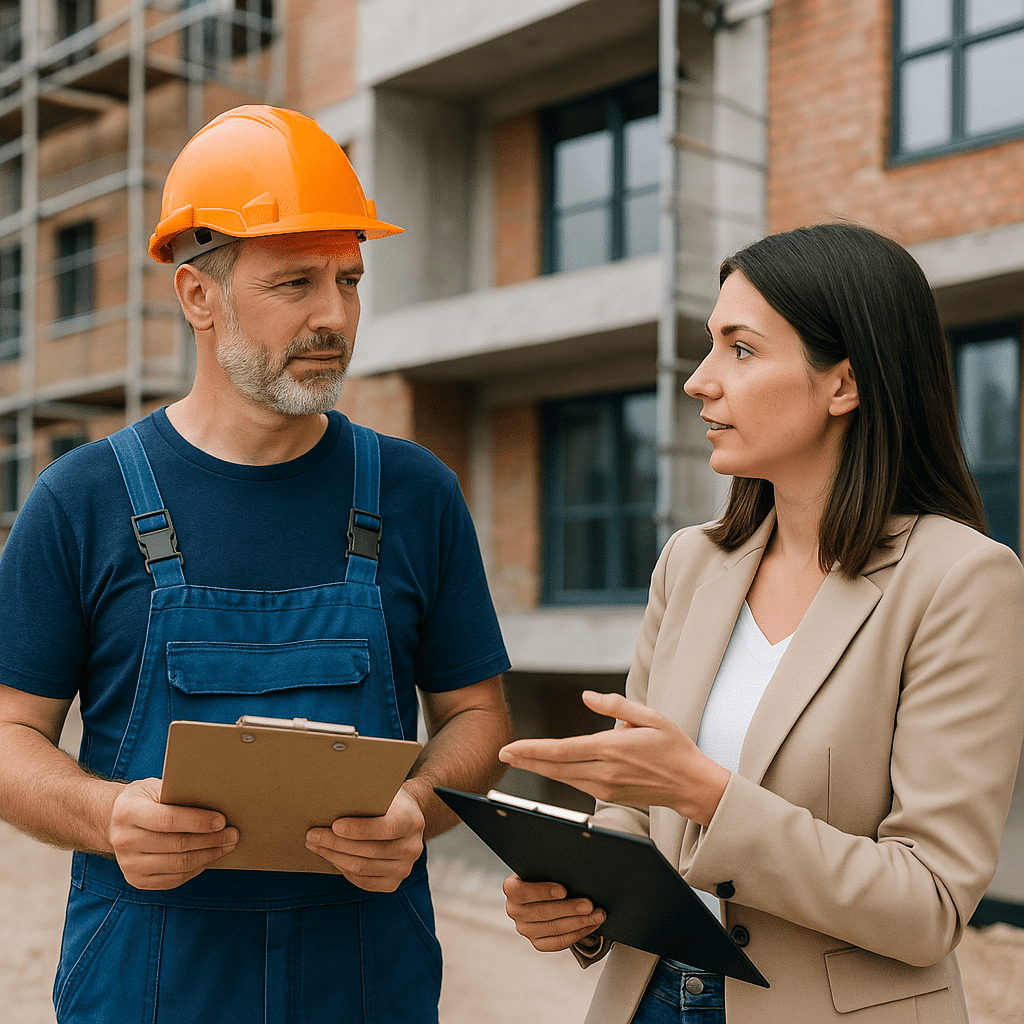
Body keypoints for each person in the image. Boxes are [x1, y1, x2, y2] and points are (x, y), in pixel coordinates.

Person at [0, 105, 512, 1023]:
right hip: (151, 982)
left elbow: (478, 717)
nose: (334, 316)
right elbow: (7, 736)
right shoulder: (82, 500)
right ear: (198, 294)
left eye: (349, 281)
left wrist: (418, 810)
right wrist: (108, 819)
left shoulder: (414, 493)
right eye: (295, 284)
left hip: (365, 981)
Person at [500, 223, 1024, 1024]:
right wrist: (580, 897)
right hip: (651, 999)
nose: (699, 382)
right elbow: (634, 811)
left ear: (843, 384)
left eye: (741, 350)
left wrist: (709, 795)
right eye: (711, 346)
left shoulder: (961, 580)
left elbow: (929, 904)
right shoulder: (691, 563)